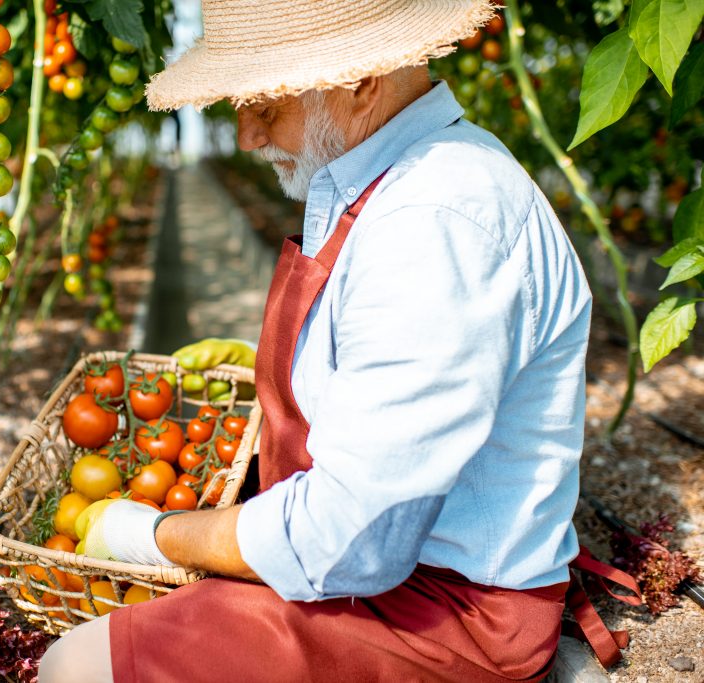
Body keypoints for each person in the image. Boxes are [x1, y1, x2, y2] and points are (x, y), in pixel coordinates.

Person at [39, 1, 639, 680]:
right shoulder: (395, 175)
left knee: (76, 665)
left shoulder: (431, 222)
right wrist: (288, 374)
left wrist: (152, 534)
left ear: (358, 80)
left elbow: (347, 537)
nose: (245, 133)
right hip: (399, 564)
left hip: (447, 613)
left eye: (265, 101)